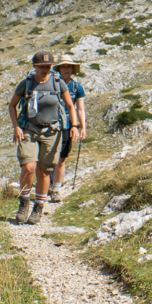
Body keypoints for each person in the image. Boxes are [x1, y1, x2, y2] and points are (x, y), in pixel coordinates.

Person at [8, 51, 80, 224]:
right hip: (29, 130)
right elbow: (12, 105)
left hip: (52, 132)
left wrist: (75, 126)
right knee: (29, 167)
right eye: (41, 66)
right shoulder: (26, 84)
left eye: (47, 66)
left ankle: (39, 206)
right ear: (34, 66)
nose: (44, 69)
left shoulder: (58, 83)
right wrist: (16, 127)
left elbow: (70, 106)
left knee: (44, 171)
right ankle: (24, 201)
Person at [50, 54, 87, 202]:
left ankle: (56, 189)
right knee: (47, 158)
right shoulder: (51, 84)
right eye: (64, 66)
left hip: (67, 125)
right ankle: (47, 185)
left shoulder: (77, 87)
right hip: (50, 124)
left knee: (62, 158)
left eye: (69, 66)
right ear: (59, 68)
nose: (67, 69)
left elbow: (80, 109)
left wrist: (81, 126)